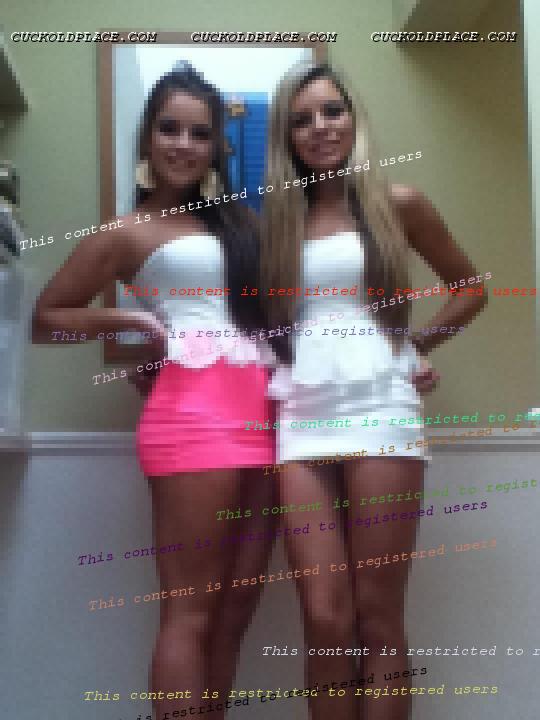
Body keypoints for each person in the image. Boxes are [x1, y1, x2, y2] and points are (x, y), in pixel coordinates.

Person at [32, 63, 278, 719]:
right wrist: (134, 323)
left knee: (235, 607)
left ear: (217, 146)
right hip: (191, 417)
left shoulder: (242, 226)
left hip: (267, 417)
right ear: (147, 137)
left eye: (200, 133)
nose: (183, 145)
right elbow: (46, 321)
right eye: (169, 128)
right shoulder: (124, 233)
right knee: (189, 609)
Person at [260, 60, 487, 720]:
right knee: (324, 618)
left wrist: (415, 349)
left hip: (382, 411)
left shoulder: (399, 202)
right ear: (285, 137)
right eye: (301, 120)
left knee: (377, 615)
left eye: (332, 111)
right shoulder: (277, 221)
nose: (320, 128)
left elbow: (471, 289)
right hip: (301, 418)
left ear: (354, 117)